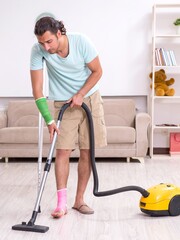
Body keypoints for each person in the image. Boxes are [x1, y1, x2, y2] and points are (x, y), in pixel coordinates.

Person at [30, 15, 107, 218]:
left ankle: (79, 201)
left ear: (59, 33)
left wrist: (81, 94)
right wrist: (49, 120)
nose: (46, 47)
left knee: (86, 151)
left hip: (89, 98)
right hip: (63, 103)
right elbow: (37, 91)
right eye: (41, 43)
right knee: (62, 151)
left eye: (49, 41)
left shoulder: (81, 42)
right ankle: (61, 205)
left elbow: (97, 71)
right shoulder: (38, 51)